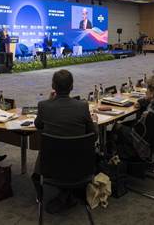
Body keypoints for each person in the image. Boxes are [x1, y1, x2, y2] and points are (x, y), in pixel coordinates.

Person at [32, 69, 98, 214]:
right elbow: (94, 136)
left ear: (53, 86)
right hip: (80, 166)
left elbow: (38, 125)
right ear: (72, 86)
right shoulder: (82, 106)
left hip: (51, 165)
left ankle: (57, 194)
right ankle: (69, 193)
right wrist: (95, 123)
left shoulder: (44, 106)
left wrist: (50, 101)